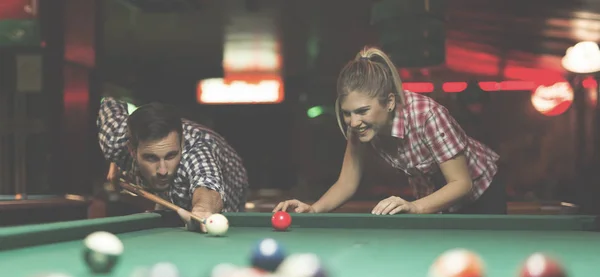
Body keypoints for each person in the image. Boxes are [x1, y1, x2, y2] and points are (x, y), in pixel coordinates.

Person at [273, 47, 506, 215]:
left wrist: (415, 206)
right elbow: (347, 182)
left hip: (482, 193)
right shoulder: (360, 127)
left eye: (362, 111)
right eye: (347, 112)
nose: (353, 122)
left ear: (390, 102)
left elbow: (461, 183)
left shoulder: (428, 116)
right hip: (435, 199)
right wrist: (313, 209)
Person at [97, 97, 249, 231]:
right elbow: (109, 103)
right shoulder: (114, 139)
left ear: (182, 144)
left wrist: (203, 210)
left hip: (231, 176)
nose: (162, 170)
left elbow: (207, 183)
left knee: (210, 224)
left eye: (171, 156)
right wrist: (115, 160)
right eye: (151, 158)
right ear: (131, 149)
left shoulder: (197, 149)